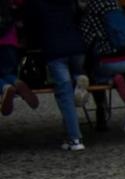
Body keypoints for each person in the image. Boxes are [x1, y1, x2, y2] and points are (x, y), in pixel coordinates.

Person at [22, 0, 87, 149]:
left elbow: (30, 25)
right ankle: (79, 78)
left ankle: (75, 139)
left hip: (55, 49)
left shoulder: (36, 3)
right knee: (70, 86)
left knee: (64, 95)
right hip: (76, 46)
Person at [76, 0, 125, 102]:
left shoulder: (90, 11)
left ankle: (111, 81)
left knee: (95, 76)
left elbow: (86, 40)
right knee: (123, 70)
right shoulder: (116, 5)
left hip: (110, 63)